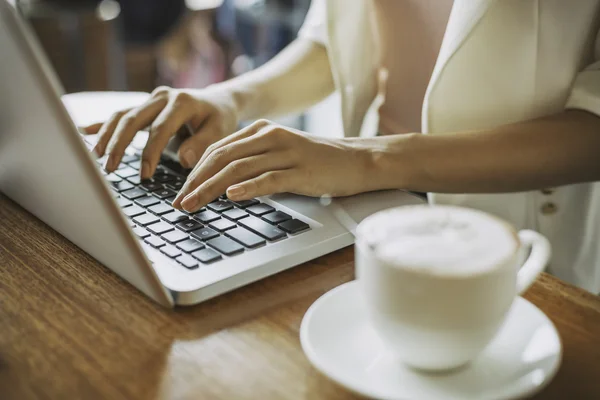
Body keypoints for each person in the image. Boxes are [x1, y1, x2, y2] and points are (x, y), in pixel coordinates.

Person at [84, 0, 600, 294]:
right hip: (376, 207)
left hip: (520, 231)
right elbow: (336, 39)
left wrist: (366, 158)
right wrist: (229, 97)